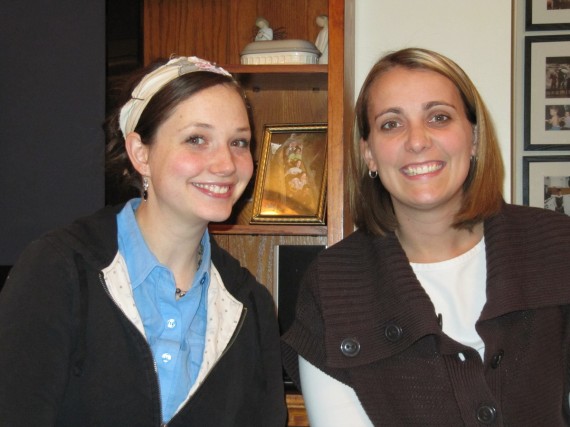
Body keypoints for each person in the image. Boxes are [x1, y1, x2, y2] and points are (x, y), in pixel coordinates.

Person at [282, 48, 570, 426]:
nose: (417, 141)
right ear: (368, 154)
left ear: (474, 138)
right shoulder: (332, 285)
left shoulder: (557, 247)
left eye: (439, 117)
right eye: (390, 124)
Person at [0, 56, 286, 426]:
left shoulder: (251, 306)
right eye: (197, 139)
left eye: (239, 142)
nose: (226, 164)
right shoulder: (59, 270)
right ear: (140, 152)